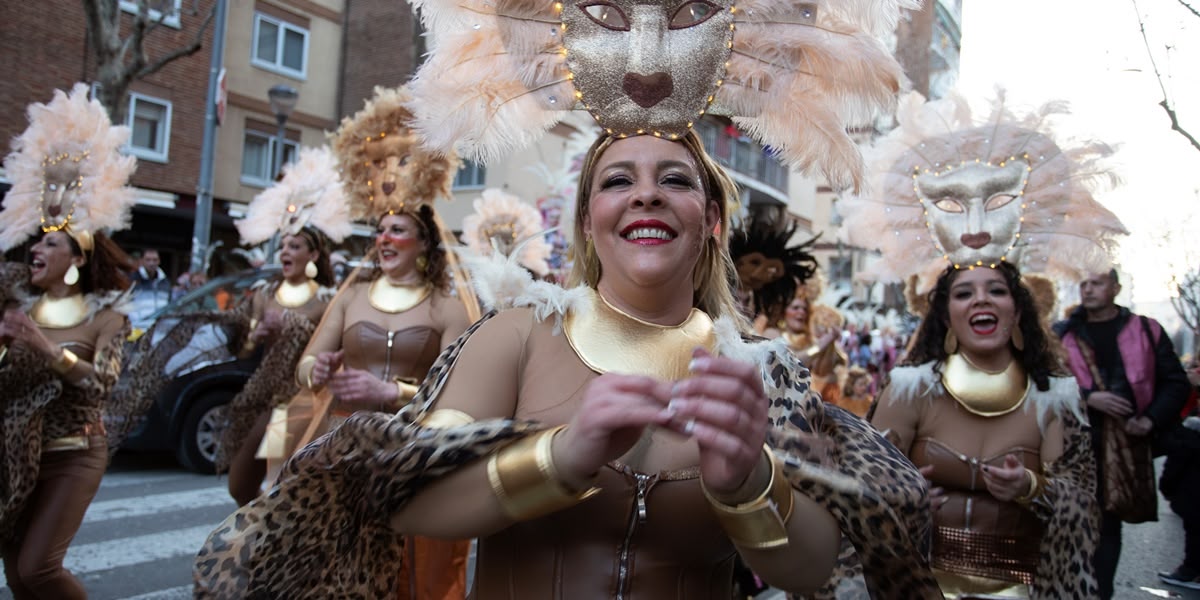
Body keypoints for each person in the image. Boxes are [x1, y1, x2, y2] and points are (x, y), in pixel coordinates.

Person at [843, 90, 1131, 599]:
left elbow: (1083, 507)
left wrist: (1033, 489)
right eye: (964, 292)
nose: (983, 299)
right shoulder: (909, 389)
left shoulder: (1056, 398)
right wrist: (903, 501)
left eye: (997, 290)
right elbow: (861, 489)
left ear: (1018, 310)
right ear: (946, 312)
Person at [286, 86, 477, 600]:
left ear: (424, 242)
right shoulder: (352, 299)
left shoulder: (447, 305)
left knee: (410, 578)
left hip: (414, 456)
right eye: (381, 229)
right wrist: (318, 371)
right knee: (341, 574)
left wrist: (388, 394)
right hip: (345, 449)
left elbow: (457, 396)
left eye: (399, 229)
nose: (385, 238)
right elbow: (306, 365)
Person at [0, 83, 138, 600]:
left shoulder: (106, 316)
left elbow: (103, 384)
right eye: (38, 238)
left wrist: (42, 344)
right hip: (14, 450)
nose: (37, 247)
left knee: (39, 569)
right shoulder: (13, 300)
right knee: (17, 578)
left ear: (78, 259)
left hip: (75, 450)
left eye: (51, 243)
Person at [220, 145, 349, 506]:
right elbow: (244, 349)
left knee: (278, 486)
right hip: (264, 400)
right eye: (284, 245)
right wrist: (255, 335)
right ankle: (264, 532)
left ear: (314, 255)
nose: (286, 252)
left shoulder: (328, 300)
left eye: (295, 246)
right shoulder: (265, 294)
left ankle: (267, 545)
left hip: (303, 403)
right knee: (239, 485)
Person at [1058, 268, 1191, 598]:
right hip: (1070, 444)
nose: (1087, 290)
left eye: (1097, 283)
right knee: (1064, 521)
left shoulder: (1146, 330)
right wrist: (1090, 399)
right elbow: (1042, 383)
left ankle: (1101, 593)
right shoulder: (1062, 334)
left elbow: (1176, 383)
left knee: (1107, 524)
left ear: (1115, 288)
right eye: (1084, 284)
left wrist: (1150, 420)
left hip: (1125, 447)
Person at [128, 248, 171, 329]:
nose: (151, 263)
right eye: (148, 260)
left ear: (159, 261)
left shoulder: (165, 282)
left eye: (155, 260)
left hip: (160, 329)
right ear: (141, 261)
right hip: (138, 329)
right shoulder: (132, 280)